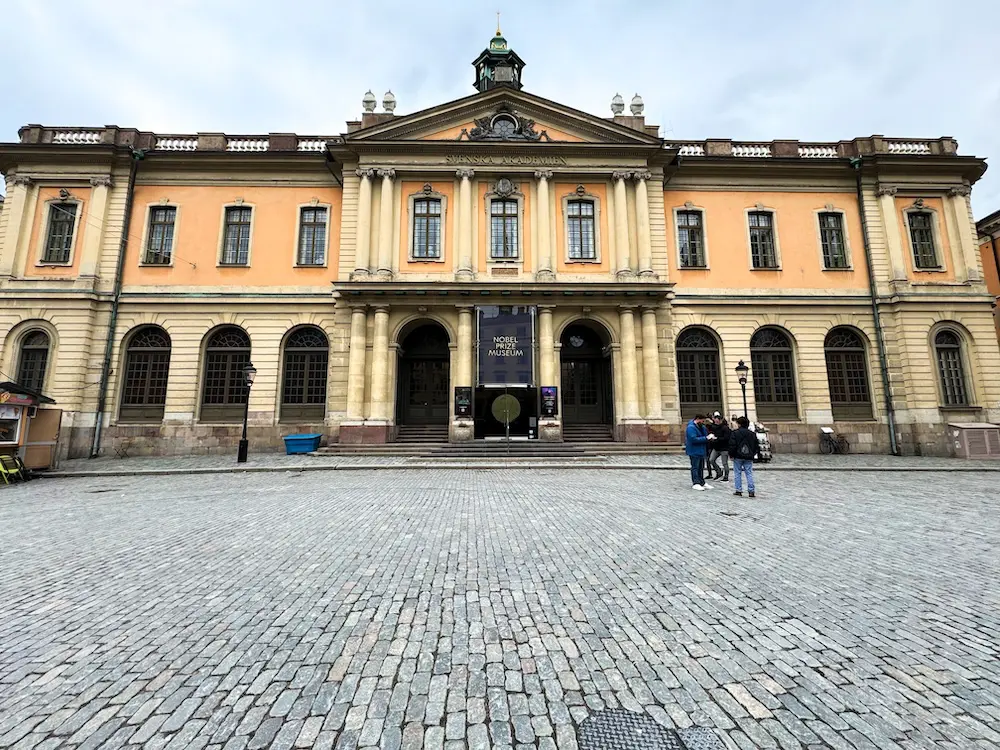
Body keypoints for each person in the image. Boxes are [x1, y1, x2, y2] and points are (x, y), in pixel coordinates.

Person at [729, 416, 760, 498]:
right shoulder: (752, 434)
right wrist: (752, 454)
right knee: (749, 473)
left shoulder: (735, 433)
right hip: (748, 456)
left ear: (739, 424)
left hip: (738, 456)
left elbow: (732, 445)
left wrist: (731, 455)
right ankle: (751, 491)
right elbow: (756, 446)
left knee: (737, 473)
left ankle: (738, 490)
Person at [684, 414, 715, 491]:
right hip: (694, 450)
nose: (703, 422)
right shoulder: (691, 428)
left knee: (701, 467)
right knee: (695, 467)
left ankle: (702, 482)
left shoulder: (702, 427)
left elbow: (705, 436)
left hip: (701, 450)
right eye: (702, 420)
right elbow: (693, 439)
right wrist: (706, 438)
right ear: (697, 419)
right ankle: (696, 483)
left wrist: (710, 438)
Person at [707, 412, 731, 482]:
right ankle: (719, 472)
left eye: (717, 419)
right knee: (711, 460)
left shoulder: (725, 428)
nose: (715, 421)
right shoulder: (713, 427)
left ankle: (726, 477)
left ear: (720, 420)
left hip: (724, 448)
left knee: (724, 463)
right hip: (716, 447)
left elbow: (726, 438)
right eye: (715, 419)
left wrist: (716, 438)